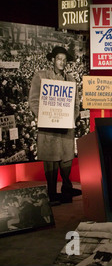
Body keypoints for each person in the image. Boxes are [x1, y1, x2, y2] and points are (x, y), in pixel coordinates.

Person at [28, 46, 81, 206]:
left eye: (64, 60)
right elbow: (34, 100)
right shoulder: (40, 76)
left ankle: (67, 188)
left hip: (65, 128)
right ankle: (51, 192)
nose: (62, 62)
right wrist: (44, 116)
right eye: (59, 59)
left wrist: (70, 117)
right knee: (50, 161)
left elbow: (76, 104)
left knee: (66, 160)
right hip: (48, 129)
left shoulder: (71, 80)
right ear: (52, 60)